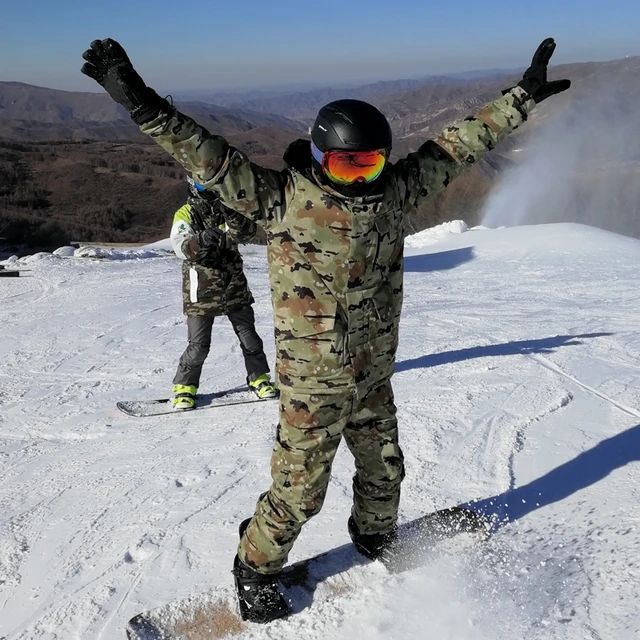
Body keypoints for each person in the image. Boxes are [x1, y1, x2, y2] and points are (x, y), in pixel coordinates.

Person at [81, 37, 570, 622]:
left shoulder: (394, 193)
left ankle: (375, 537)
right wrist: (136, 99)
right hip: (312, 385)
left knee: (384, 468)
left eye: (372, 163)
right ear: (319, 158)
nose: (363, 176)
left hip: (374, 372)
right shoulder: (282, 199)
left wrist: (521, 99)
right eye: (348, 164)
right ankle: (254, 566)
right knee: (300, 488)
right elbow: (204, 154)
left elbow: (456, 146)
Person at [169, 175, 278, 408]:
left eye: (210, 183)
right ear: (191, 185)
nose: (207, 188)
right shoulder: (187, 213)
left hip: (233, 285)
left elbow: (247, 233)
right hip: (202, 290)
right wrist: (201, 239)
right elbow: (180, 246)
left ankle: (259, 378)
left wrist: (233, 213)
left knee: (249, 338)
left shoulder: (229, 207)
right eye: (201, 184)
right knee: (198, 345)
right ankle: (184, 387)